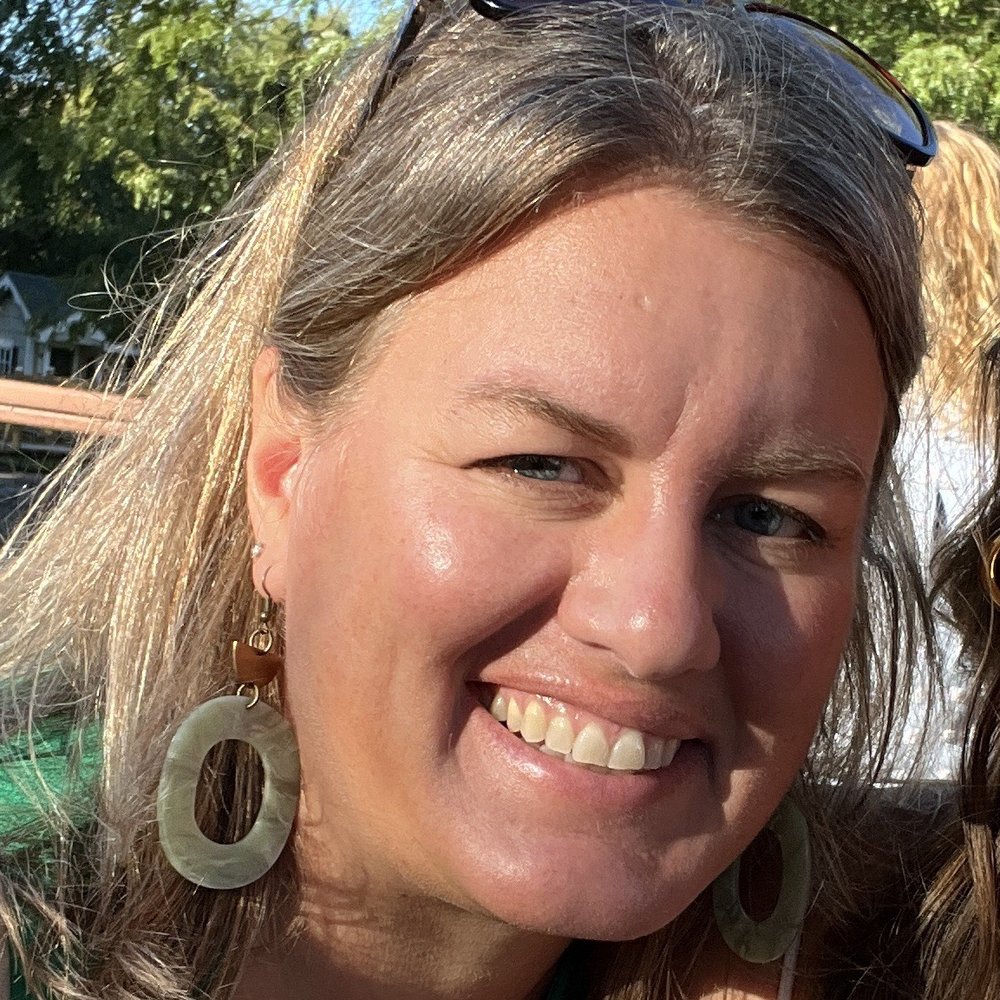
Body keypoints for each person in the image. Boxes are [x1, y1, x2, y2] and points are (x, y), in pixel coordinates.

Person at [0, 2, 938, 998]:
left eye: (768, 516)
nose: (657, 627)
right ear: (281, 471)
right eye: (540, 465)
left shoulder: (912, 951)